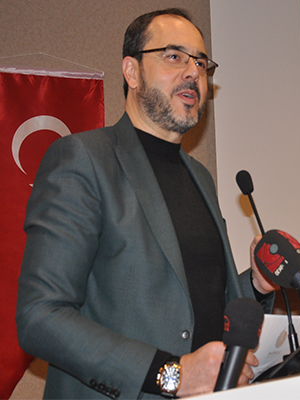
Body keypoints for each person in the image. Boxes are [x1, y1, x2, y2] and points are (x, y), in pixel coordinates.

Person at [16, 8, 278, 399]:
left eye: (201, 63)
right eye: (174, 56)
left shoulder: (200, 176)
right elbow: (40, 317)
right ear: (132, 71)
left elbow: (191, 304)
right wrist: (170, 374)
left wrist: (254, 285)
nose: (193, 73)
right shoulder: (83, 159)